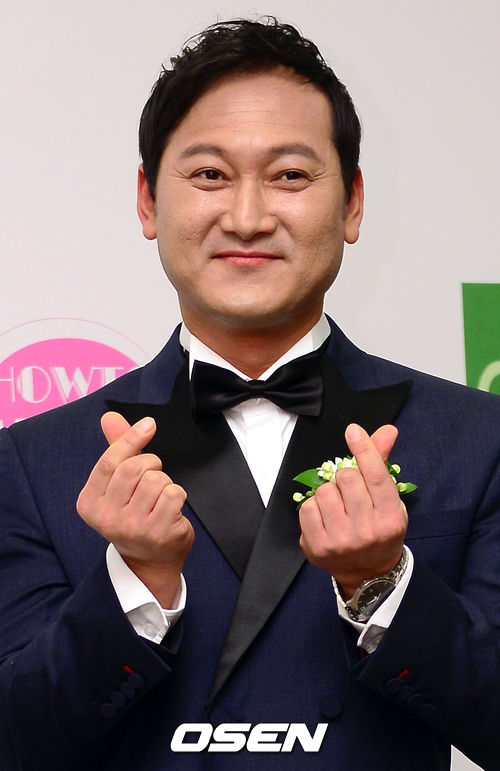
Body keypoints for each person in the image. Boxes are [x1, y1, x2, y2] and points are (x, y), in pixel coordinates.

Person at [0, 18, 498, 771]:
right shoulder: (37, 462)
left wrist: (382, 585)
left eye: (290, 176)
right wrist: (132, 582)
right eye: (209, 175)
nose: (246, 217)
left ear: (353, 202)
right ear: (148, 201)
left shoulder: (475, 439)